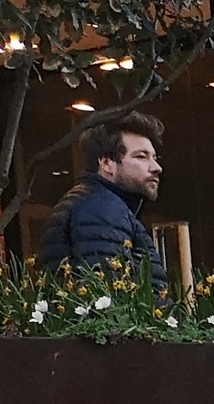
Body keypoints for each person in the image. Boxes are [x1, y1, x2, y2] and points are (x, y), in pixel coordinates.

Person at [36, 113, 166, 283]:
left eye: (154, 158)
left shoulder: (94, 203)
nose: (156, 167)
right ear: (106, 163)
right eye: (141, 157)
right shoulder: (102, 209)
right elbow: (110, 295)